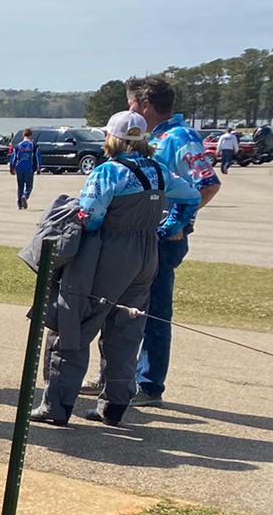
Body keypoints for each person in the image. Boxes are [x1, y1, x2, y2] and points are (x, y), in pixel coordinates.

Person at [32, 111, 200, 426]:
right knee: (126, 330)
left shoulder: (108, 172)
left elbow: (92, 214)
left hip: (108, 253)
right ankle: (114, 405)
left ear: (112, 138)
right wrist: (169, 226)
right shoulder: (160, 172)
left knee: (75, 323)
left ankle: (56, 405)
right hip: (146, 255)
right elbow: (191, 195)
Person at [129, 75, 220, 404]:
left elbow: (207, 184)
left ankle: (149, 383)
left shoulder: (179, 138)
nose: (130, 109)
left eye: (132, 104)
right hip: (138, 236)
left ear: (146, 105)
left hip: (162, 241)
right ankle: (116, 375)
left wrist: (175, 223)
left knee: (154, 310)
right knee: (127, 308)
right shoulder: (149, 136)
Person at [8, 127, 41, 210]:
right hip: (29, 168)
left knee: (20, 186)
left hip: (19, 168)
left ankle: (19, 204)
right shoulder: (33, 145)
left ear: (23, 135)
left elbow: (14, 157)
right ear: (30, 135)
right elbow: (37, 157)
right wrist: (38, 167)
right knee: (29, 186)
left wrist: (12, 167)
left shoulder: (18, 146)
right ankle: (25, 196)